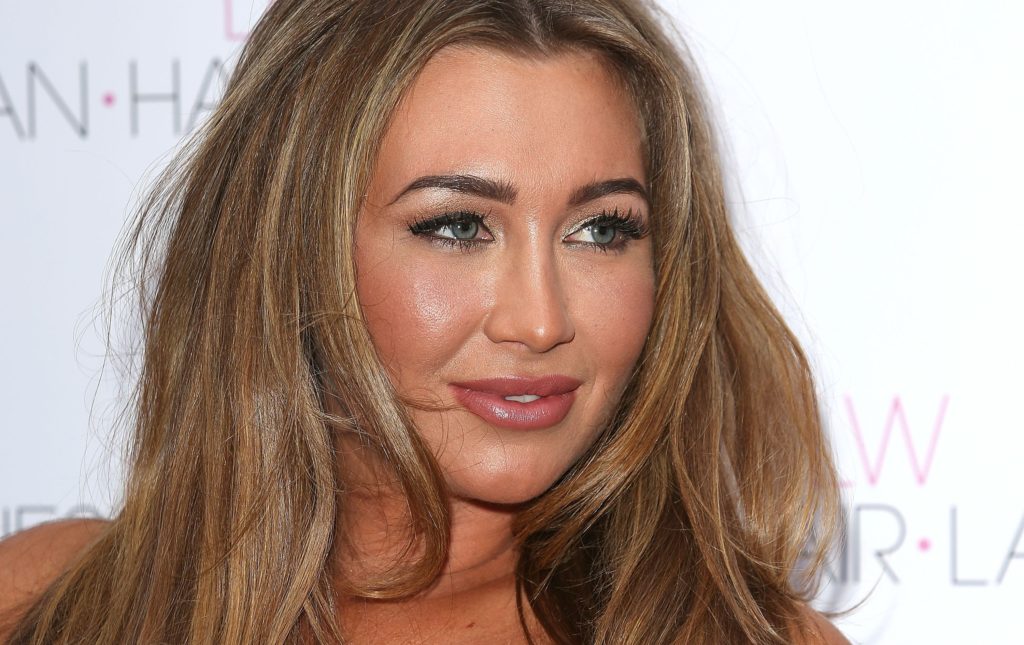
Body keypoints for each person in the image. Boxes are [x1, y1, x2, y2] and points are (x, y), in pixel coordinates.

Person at [0, 0, 849, 643]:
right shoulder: (51, 601)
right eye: (457, 226)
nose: (540, 321)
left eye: (601, 230)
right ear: (293, 247)